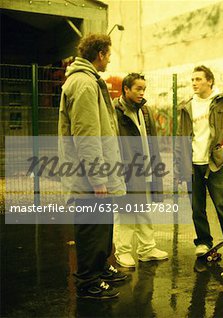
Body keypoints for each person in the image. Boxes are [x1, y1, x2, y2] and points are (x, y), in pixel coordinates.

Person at [58, 34, 127, 300]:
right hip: (88, 176)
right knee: (90, 226)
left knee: (102, 224)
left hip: (98, 173)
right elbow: (86, 136)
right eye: (109, 54)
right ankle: (87, 282)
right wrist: (98, 179)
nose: (110, 59)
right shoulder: (85, 84)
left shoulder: (90, 81)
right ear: (100, 54)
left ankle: (99, 268)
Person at [174, 65, 223, 263]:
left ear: (210, 81)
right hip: (192, 162)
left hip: (215, 162)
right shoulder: (186, 106)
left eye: (198, 79)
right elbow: (181, 137)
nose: (194, 83)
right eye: (193, 80)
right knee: (197, 207)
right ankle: (203, 242)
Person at [113, 73, 169, 267]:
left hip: (146, 168)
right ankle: (123, 252)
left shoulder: (145, 111)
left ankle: (147, 249)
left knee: (143, 209)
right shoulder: (114, 111)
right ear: (126, 89)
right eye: (138, 88)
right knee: (126, 211)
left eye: (144, 89)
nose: (142, 92)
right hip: (126, 170)